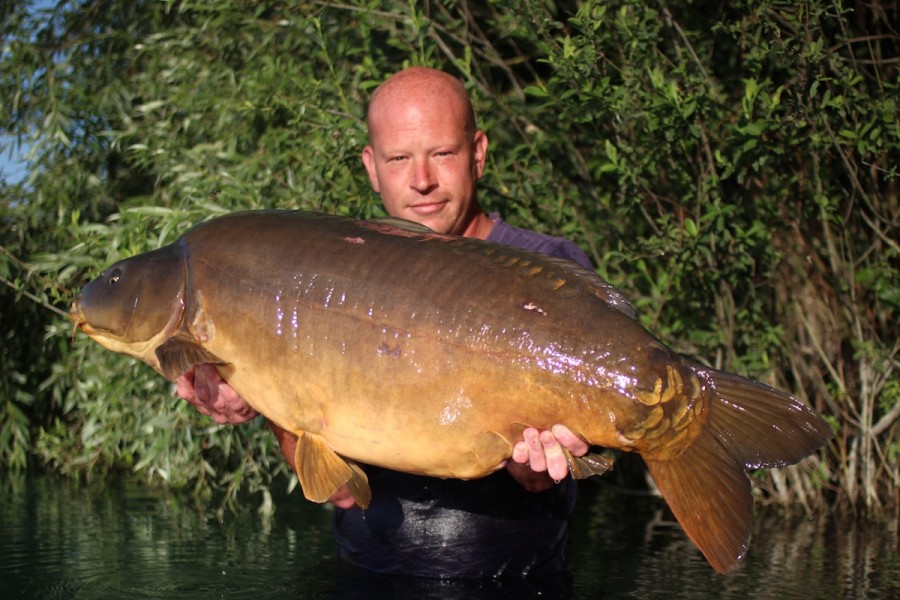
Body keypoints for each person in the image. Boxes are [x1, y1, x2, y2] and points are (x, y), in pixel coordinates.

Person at [176, 67, 596, 579]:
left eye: (441, 153)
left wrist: (537, 472)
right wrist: (260, 392)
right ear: (372, 168)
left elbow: (552, 474)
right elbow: (337, 490)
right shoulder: (333, 277)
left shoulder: (547, 271)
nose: (421, 179)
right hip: (368, 576)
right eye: (399, 158)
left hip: (514, 580)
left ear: (478, 153)